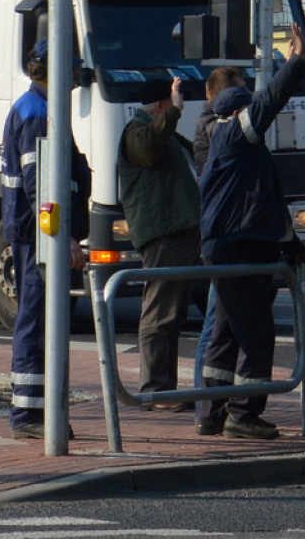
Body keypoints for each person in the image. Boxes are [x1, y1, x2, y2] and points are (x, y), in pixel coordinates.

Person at [196, 24, 305, 440]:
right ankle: (242, 415)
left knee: (226, 335)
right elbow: (269, 101)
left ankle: (211, 414)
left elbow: (267, 201)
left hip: (237, 247)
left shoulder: (242, 151)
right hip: (237, 249)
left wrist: (292, 243)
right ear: (237, 110)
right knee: (258, 336)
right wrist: (297, 61)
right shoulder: (232, 136)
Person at [3, 39, 91, 439]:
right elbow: (40, 185)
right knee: (36, 322)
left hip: (34, 232)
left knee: (38, 321)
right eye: (72, 67)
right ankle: (28, 417)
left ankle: (36, 413)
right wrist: (63, 237)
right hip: (38, 235)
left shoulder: (35, 107)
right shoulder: (38, 113)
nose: (77, 75)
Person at [117, 76, 201, 411]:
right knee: (159, 314)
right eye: (172, 100)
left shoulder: (164, 133)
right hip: (163, 234)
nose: (178, 106)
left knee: (173, 314)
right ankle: (155, 389)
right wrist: (175, 111)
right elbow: (149, 149)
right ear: (158, 105)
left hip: (178, 233)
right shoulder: (137, 132)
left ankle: (164, 389)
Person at [191, 66, 247, 418]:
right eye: (242, 92)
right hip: (221, 235)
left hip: (229, 232)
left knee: (223, 323)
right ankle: (205, 407)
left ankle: (213, 405)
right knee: (214, 322)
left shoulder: (216, 124)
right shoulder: (212, 126)